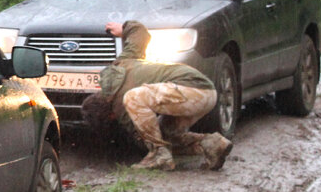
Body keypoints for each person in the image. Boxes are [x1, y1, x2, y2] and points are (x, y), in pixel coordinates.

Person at [81, 20, 233, 171]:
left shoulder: (121, 107)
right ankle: (213, 145)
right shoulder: (121, 63)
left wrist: (148, 145)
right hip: (206, 90)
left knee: (133, 99)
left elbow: (142, 139)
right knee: (165, 136)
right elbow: (140, 33)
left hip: (193, 91)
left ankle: (159, 157)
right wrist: (124, 29)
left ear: (111, 117)